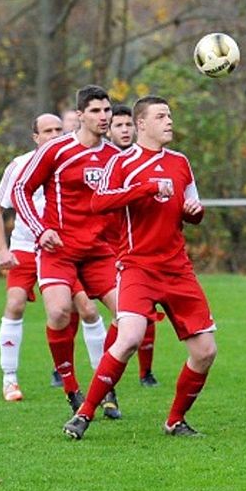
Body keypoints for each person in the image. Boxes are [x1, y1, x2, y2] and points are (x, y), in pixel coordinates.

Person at [63, 95, 216, 439]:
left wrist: (195, 213)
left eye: (171, 115)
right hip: (137, 267)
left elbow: (193, 208)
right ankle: (84, 414)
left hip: (177, 269)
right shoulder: (121, 163)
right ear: (141, 123)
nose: (169, 121)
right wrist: (143, 188)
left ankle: (175, 421)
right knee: (129, 336)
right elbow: (98, 202)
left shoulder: (180, 163)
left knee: (206, 351)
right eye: (162, 116)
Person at [12, 85, 122, 415]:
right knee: (59, 312)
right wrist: (40, 228)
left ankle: (105, 385)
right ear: (80, 115)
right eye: (96, 111)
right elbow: (22, 189)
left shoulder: (115, 157)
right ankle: (72, 387)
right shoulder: (56, 151)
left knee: (129, 317)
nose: (104, 117)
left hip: (99, 252)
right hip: (59, 249)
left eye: (107, 110)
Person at [0, 114, 107, 401]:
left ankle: (101, 383)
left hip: (61, 251)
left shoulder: (70, 158)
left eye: (58, 129)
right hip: (26, 249)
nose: (54, 134)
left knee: (86, 311)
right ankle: (10, 378)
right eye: (47, 131)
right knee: (15, 304)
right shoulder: (20, 165)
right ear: (35, 137)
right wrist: (3, 250)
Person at [107, 103, 159, 388]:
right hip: (106, 249)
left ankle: (145, 372)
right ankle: (102, 383)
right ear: (109, 130)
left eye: (128, 125)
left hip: (135, 250)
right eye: (119, 125)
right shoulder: (112, 162)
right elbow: (100, 204)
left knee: (141, 315)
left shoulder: (147, 158)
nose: (125, 130)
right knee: (90, 312)